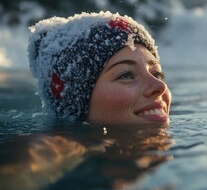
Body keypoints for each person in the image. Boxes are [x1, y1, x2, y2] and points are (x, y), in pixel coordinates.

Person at [28, 11, 171, 124]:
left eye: (156, 74)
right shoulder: (44, 155)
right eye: (126, 75)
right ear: (77, 105)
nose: (160, 86)